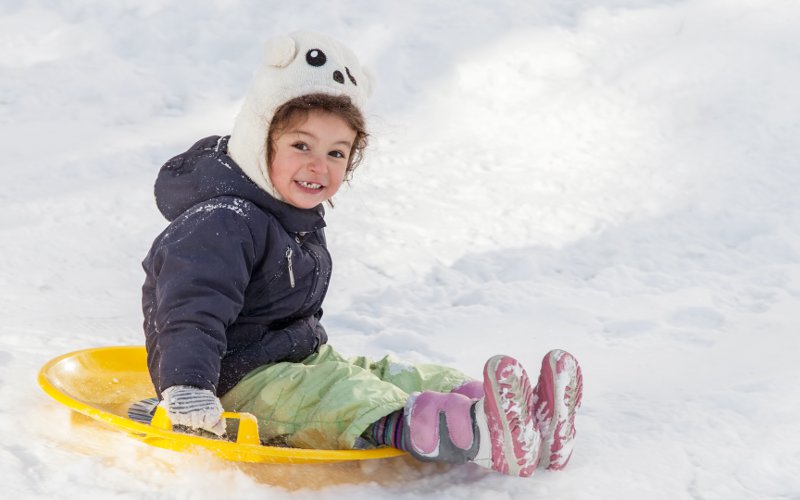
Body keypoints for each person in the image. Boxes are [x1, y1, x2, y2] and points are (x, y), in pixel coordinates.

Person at [139, 31, 583, 477]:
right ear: (260, 138)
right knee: (343, 395)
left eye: (337, 152)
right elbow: (188, 310)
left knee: (396, 376)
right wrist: (189, 387)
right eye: (301, 145)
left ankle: (513, 411)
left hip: (294, 364)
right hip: (233, 385)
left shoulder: (289, 216)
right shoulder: (222, 220)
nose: (320, 165)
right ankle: (472, 428)